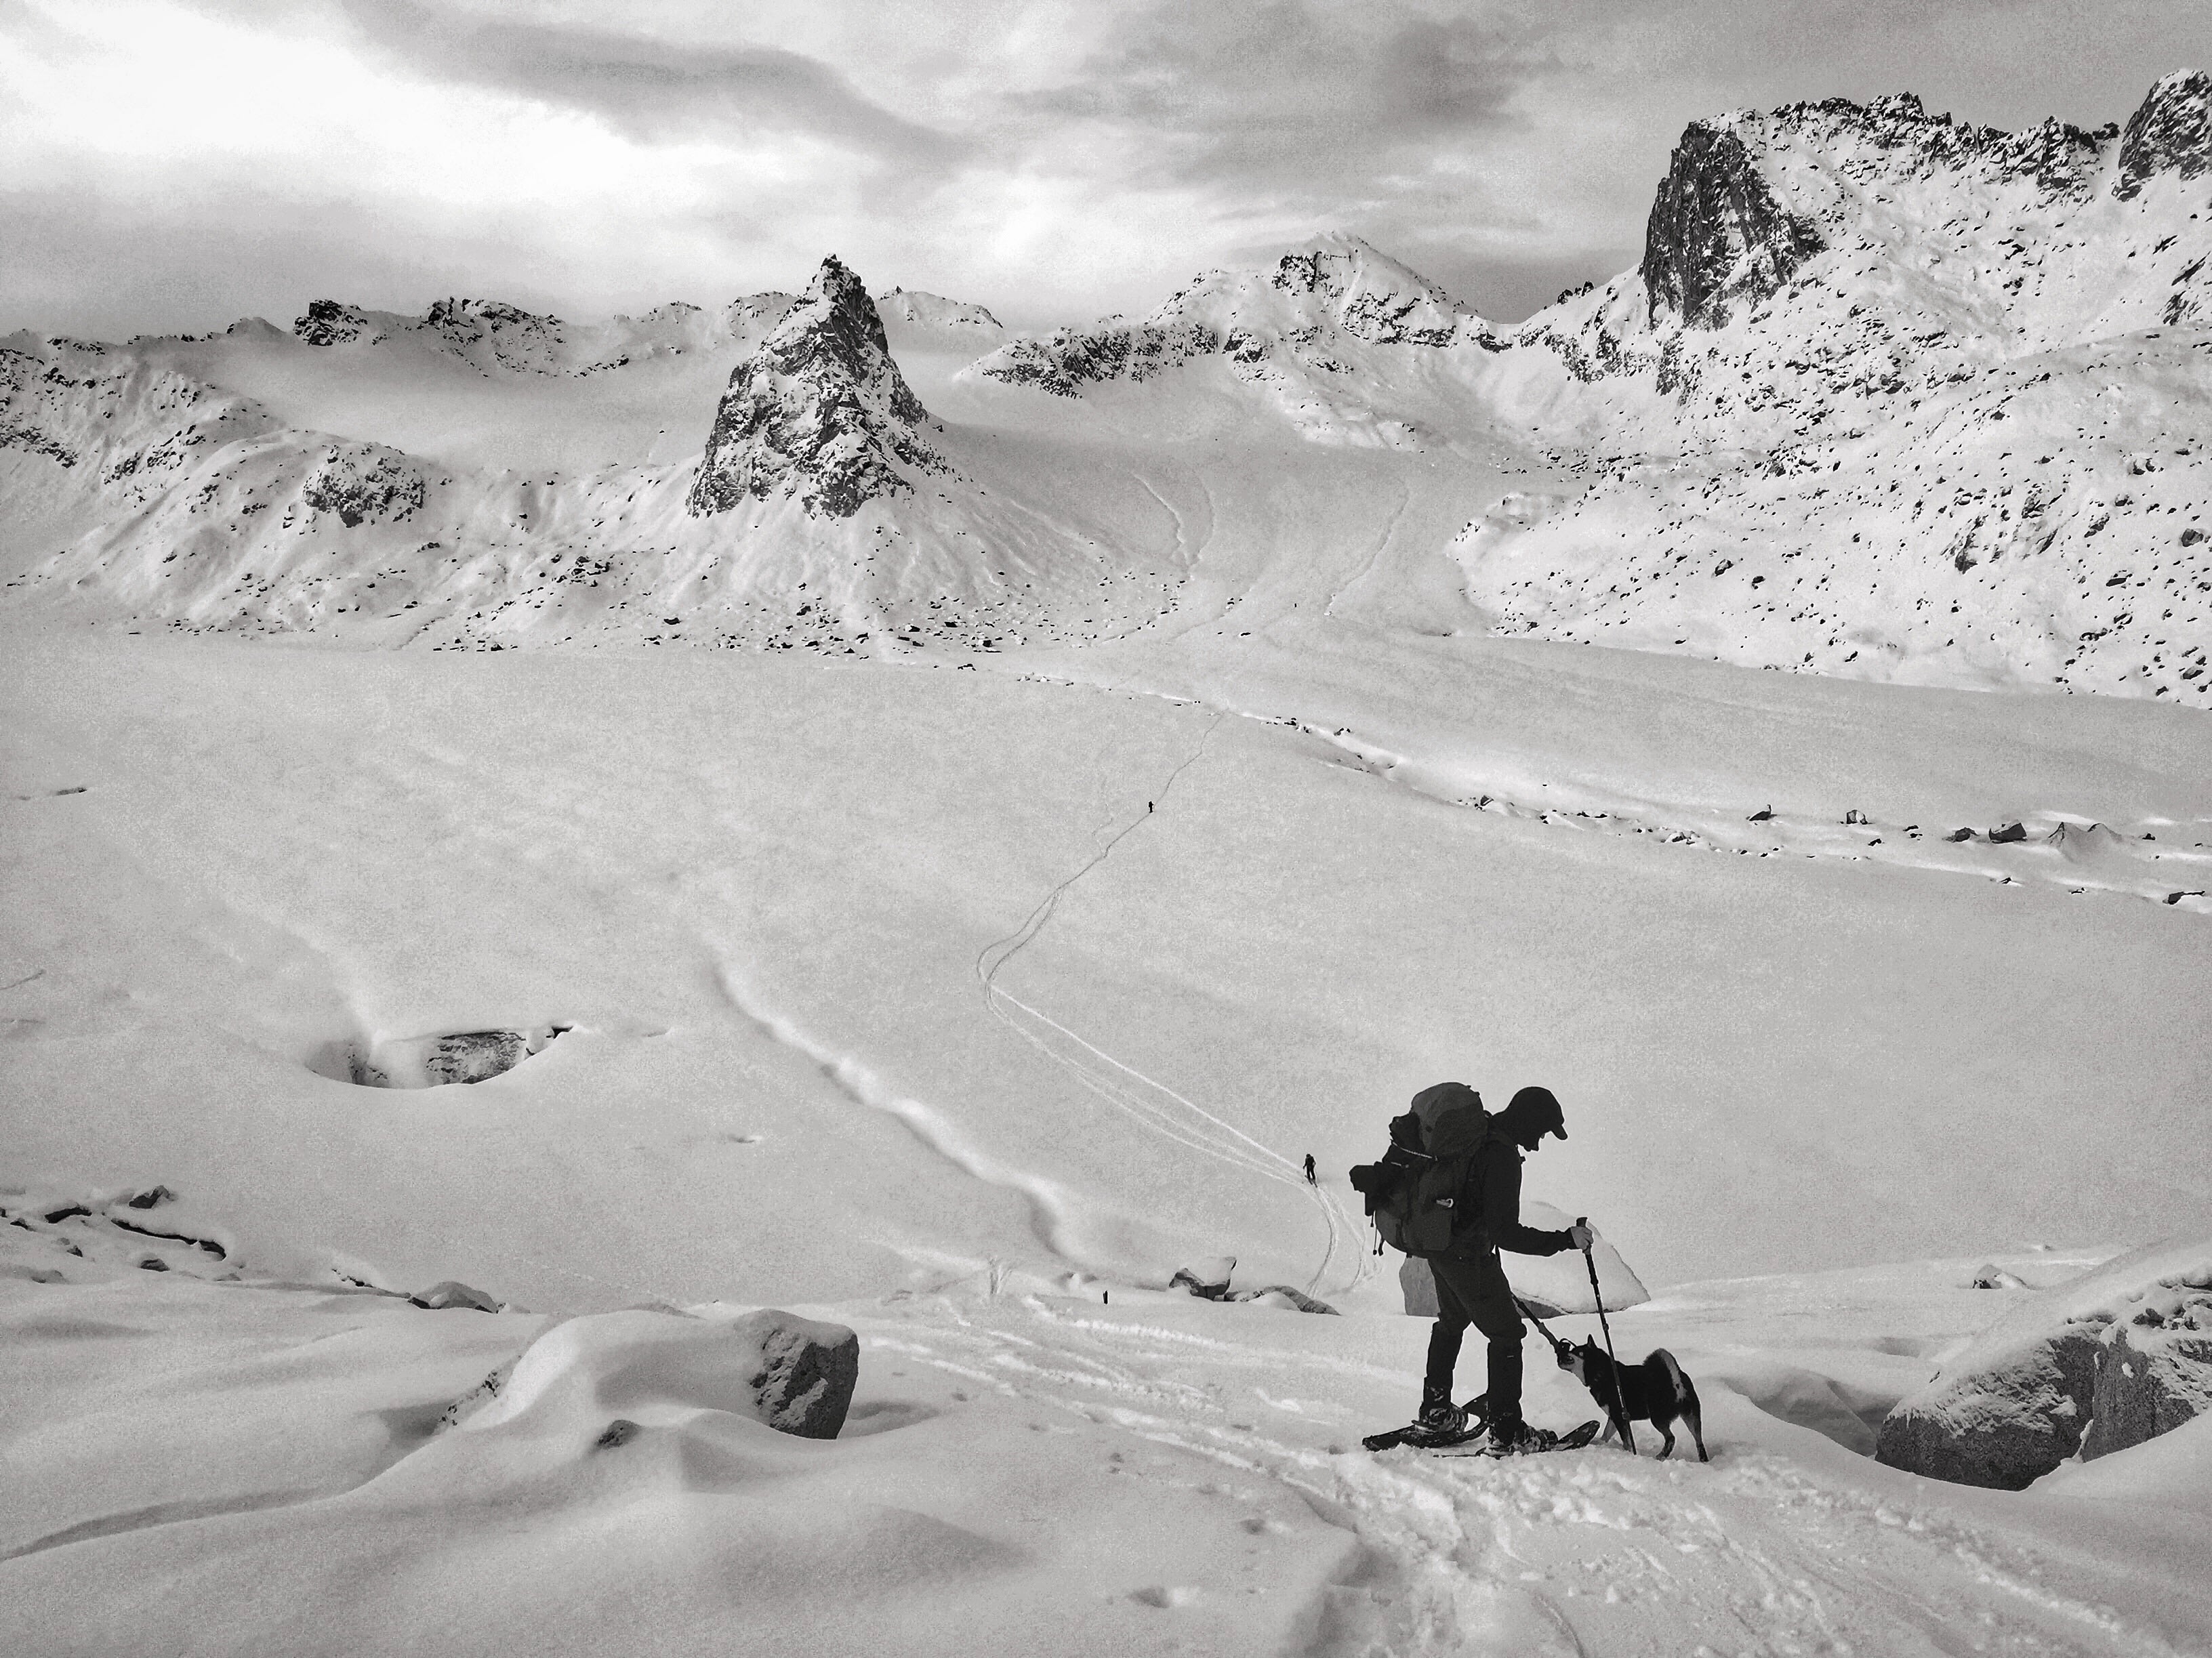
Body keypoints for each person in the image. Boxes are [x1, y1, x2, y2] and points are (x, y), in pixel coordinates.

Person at [1415, 1084, 1593, 1452]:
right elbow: (1506, 1233)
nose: (1540, 1143)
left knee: (1452, 1322)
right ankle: (1507, 1431)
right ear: (1528, 1121)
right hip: (1467, 1256)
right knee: (1508, 1335)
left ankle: (1435, 1413)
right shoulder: (1501, 1155)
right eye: (1542, 1132)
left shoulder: (1481, 1137)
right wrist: (1565, 1239)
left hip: (1442, 1248)